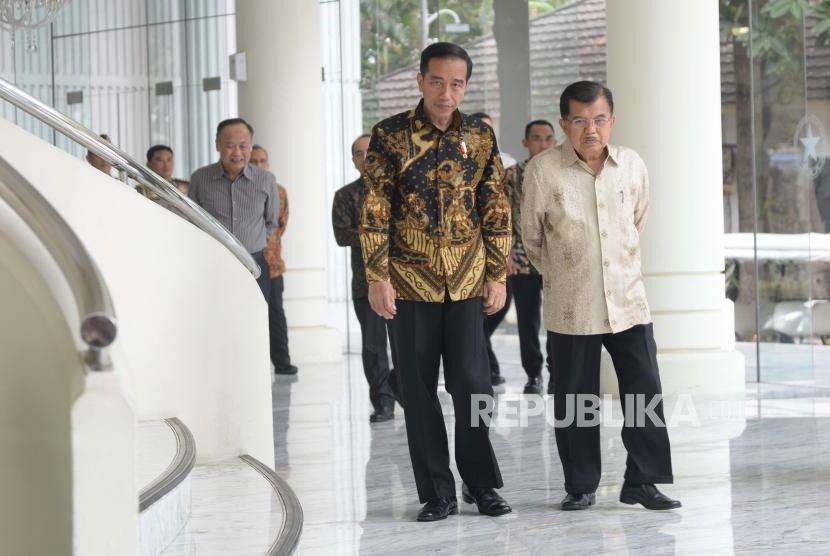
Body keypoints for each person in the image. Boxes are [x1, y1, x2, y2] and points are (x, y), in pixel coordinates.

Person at [359, 42, 512, 522]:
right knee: (418, 389)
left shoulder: (480, 138)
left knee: (474, 385)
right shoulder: (390, 135)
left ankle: (481, 485)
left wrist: (497, 273)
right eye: (438, 82)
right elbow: (375, 209)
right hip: (409, 282)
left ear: (466, 84)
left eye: (457, 83)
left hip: (466, 280)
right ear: (421, 80)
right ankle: (436, 492)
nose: (447, 93)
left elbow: (495, 207)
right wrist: (377, 275)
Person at [521, 81, 681, 511]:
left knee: (644, 391)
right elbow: (532, 239)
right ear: (563, 124)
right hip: (571, 304)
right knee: (576, 398)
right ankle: (580, 485)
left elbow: (637, 220)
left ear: (611, 120)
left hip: (628, 301)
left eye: (599, 119)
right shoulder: (542, 170)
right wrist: (566, 273)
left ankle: (641, 482)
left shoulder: (631, 165)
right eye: (578, 120)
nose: (590, 129)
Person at [332, 134, 396, 421]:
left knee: (410, 344)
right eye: (359, 153)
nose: (366, 158)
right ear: (354, 160)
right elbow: (342, 235)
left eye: (371, 152)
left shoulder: (402, 192)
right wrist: (377, 232)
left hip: (406, 282)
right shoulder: (346, 196)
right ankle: (382, 400)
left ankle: (405, 392)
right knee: (373, 346)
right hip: (366, 282)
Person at [188, 118, 279, 317]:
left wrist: (255, 241)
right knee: (215, 318)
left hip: (255, 264)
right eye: (229, 146)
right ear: (217, 145)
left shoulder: (266, 180)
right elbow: (191, 220)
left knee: (255, 319)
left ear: (250, 145)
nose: (237, 153)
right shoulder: (200, 178)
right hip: (212, 264)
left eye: (243, 146)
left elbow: (272, 222)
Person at [506, 119, 557, 395]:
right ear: (526, 143)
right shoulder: (513, 175)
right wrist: (506, 254)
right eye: (536, 138)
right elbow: (501, 217)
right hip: (523, 259)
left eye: (548, 138)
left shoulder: (562, 174)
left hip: (557, 261)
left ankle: (556, 372)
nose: (543, 144)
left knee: (557, 318)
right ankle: (533, 375)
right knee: (528, 321)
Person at [470, 111, 512, 387]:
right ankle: (487, 370)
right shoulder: (459, 166)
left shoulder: (508, 165)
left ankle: (487, 367)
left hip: (501, 257)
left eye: (489, 130)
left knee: (494, 310)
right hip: (468, 261)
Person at [250, 144, 298, 375]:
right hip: (247, 264)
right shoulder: (243, 191)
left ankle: (282, 361)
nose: (259, 165)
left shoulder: (279, 191)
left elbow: (280, 224)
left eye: (262, 161)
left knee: (276, 313)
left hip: (273, 264)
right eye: (254, 161)